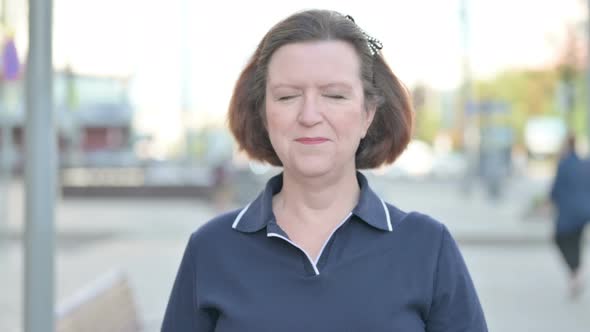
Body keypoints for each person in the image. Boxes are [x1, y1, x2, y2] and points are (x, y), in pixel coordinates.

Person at [162, 9, 487, 331]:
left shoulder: (427, 246)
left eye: (334, 95)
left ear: (368, 113)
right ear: (263, 113)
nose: (309, 115)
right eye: (287, 96)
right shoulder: (211, 248)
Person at [550, 134, 590, 299]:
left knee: (560, 239)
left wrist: (551, 200)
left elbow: (556, 188)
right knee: (576, 241)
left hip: (568, 212)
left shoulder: (564, 165)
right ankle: (576, 275)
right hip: (585, 211)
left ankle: (575, 273)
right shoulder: (585, 164)